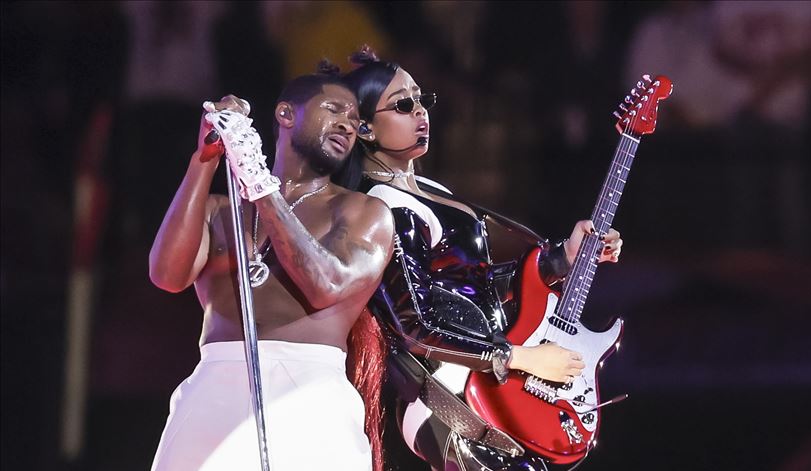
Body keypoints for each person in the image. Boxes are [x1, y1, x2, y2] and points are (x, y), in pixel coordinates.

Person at [333, 48, 624, 470]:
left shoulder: (428, 189)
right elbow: (416, 325)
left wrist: (563, 258)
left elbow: (476, 287)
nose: (420, 113)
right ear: (365, 128)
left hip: (479, 380)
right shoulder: (385, 206)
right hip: (445, 391)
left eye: (422, 100)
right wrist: (518, 357)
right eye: (403, 105)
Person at [147, 64, 394, 470]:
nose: (347, 126)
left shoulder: (361, 211)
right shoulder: (219, 209)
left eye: (355, 120)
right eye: (335, 110)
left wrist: (260, 182)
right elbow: (167, 276)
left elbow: (326, 284)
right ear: (285, 115)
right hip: (213, 388)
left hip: (309, 392)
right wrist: (206, 157)